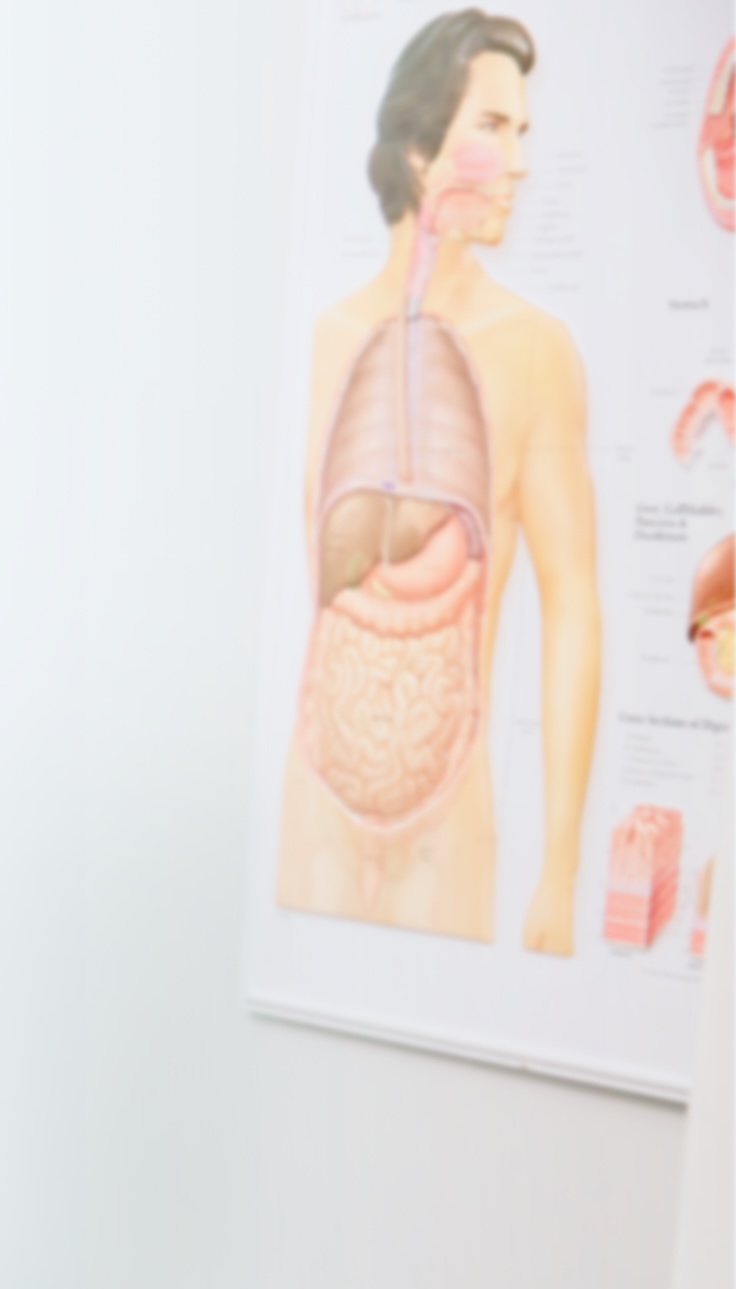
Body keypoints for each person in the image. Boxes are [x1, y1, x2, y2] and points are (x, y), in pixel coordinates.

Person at [279, 9, 599, 950]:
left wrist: (560, 872)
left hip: (446, 824)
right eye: (494, 128)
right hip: (312, 808)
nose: (521, 164)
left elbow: (573, 605)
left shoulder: (535, 353)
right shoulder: (324, 341)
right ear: (421, 153)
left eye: (523, 131)